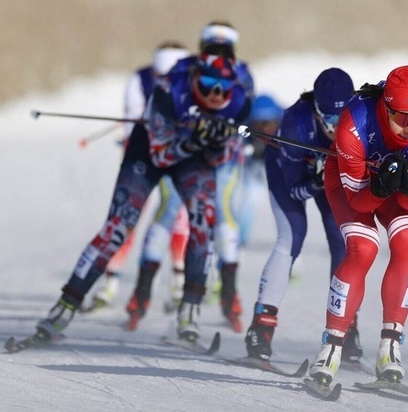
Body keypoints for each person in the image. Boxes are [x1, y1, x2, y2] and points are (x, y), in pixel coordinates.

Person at [34, 51, 251, 346]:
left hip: (193, 158)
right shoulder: (169, 91)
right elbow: (162, 155)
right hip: (147, 152)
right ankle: (65, 305)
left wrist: (218, 141)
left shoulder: (239, 102)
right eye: (209, 84)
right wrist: (195, 139)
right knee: (119, 226)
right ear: (195, 78)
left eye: (222, 88)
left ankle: (189, 311)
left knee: (202, 223)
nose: (215, 94)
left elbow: (222, 159)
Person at [308, 65, 408, 386]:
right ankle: (330, 350)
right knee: (363, 249)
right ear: (384, 108)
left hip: (392, 191)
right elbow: (358, 203)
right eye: (401, 118)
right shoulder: (354, 123)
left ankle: (390, 347)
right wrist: (379, 187)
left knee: (406, 242)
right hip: (354, 187)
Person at [126, 20, 255, 333]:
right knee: (169, 212)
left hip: (222, 159)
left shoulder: (243, 73)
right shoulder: (184, 68)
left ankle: (228, 296)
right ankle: (141, 296)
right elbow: (166, 104)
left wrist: (229, 135)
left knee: (223, 220)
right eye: (213, 47)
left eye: (225, 48)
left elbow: (243, 114)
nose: (219, 53)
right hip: (183, 156)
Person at [245, 68, 363, 364]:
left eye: (344, 118)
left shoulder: (362, 121)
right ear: (317, 111)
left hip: (328, 175)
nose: (337, 128)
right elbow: (294, 189)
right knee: (292, 235)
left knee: (342, 240)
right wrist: (316, 180)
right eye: (331, 120)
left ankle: (347, 325)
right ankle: (261, 326)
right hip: (293, 176)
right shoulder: (296, 125)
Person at [90, 41, 190, 311]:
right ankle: (109, 283)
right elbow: (131, 116)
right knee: (127, 217)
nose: (164, 81)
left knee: (177, 216)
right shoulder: (139, 79)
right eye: (160, 75)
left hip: (177, 157)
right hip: (144, 156)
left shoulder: (191, 79)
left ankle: (178, 284)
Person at [237, 94, 283, 245]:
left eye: (269, 122)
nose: (265, 127)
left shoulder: (288, 126)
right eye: (260, 123)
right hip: (255, 168)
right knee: (250, 198)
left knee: (282, 203)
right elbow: (238, 149)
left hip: (279, 168)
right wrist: (251, 150)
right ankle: (238, 239)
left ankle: (287, 240)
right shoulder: (244, 127)